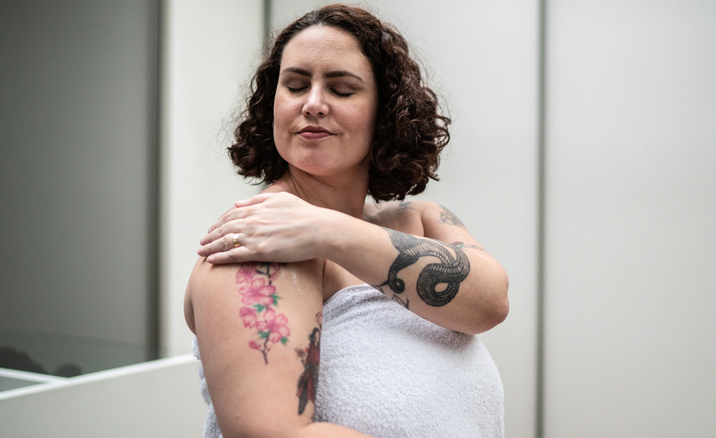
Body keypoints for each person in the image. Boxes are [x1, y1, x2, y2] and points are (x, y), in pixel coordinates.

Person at [184, 4, 509, 437]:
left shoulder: (424, 218)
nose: (313, 104)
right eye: (296, 85)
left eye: (341, 89)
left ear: (386, 112)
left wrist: (327, 230)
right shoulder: (254, 240)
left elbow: (490, 303)